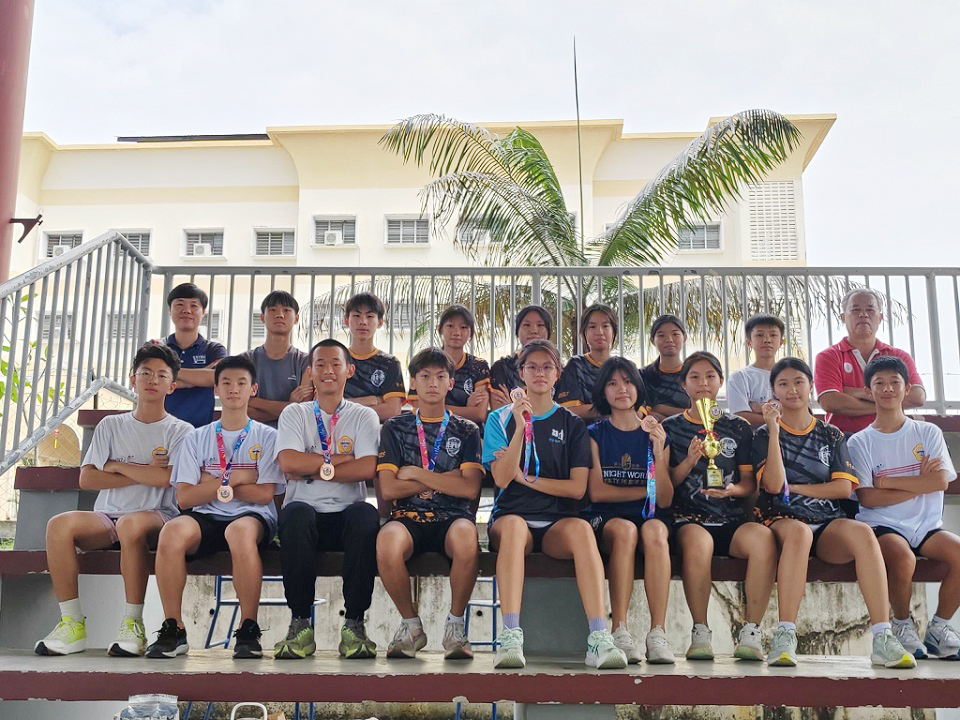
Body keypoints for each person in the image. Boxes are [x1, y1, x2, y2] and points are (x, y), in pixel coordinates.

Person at [754, 357, 915, 669]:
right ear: (774, 391)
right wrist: (773, 431)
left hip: (827, 523)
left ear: (811, 387)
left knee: (862, 533)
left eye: (798, 382)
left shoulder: (831, 434)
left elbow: (842, 489)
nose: (792, 390)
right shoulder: (763, 434)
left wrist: (794, 487)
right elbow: (773, 486)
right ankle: (785, 635)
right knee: (799, 533)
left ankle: (883, 637)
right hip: (783, 520)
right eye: (783, 384)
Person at [35, 343, 191, 657]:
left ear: (172, 386)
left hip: (157, 515)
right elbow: (88, 478)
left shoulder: (180, 431)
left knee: (131, 524)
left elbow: (166, 479)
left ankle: (133, 624)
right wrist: (146, 470)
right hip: (108, 516)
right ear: (133, 379)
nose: (152, 380)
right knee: (58, 525)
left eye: (161, 375)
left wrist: (117, 466)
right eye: (145, 373)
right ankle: (71, 623)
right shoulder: (110, 425)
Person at [483, 339, 627, 670]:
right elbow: (502, 478)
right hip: (512, 516)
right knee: (515, 528)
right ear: (521, 373)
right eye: (531, 366)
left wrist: (526, 478)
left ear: (558, 374)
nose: (539, 372)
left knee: (582, 531)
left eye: (547, 366)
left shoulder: (572, 424)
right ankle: (511, 636)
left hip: (556, 522)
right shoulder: (499, 419)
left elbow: (576, 489)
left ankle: (598, 638)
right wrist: (520, 427)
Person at [146, 355, 283, 659]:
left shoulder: (269, 437)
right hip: (205, 516)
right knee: (171, 532)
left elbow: (264, 495)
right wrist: (236, 478)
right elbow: (184, 498)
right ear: (216, 389)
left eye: (241, 383)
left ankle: (248, 629)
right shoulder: (197, 438)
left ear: (253, 389)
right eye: (226, 383)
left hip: (252, 517)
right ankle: (174, 628)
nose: (233, 389)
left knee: (238, 532)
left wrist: (209, 483)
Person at [662, 351, 776, 661]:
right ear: (684, 384)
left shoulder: (737, 427)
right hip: (689, 518)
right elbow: (667, 484)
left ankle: (751, 632)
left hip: (731, 519)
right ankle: (700, 631)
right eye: (695, 377)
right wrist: (689, 460)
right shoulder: (671, 427)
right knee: (699, 544)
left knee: (763, 539)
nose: (703, 383)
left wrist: (732, 490)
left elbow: (748, 483)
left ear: (720, 382)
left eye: (710, 376)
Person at [273, 339, 382, 660]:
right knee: (294, 514)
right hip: (305, 515)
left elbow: (367, 467)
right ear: (310, 372)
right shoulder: (294, 413)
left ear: (349, 370)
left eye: (336, 364)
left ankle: (354, 623)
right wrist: (342, 459)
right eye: (320, 364)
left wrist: (313, 467)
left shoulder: (363, 416)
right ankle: (300, 623)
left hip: (346, 516)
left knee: (365, 515)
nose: (328, 370)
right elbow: (288, 463)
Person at [849, 356, 960, 661]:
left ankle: (939, 628)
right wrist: (919, 482)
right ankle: (901, 624)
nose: (887, 389)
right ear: (869, 391)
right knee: (902, 558)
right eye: (879, 383)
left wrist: (888, 483)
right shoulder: (860, 442)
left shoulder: (928, 433)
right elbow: (868, 498)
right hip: (882, 524)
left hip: (926, 526)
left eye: (894, 382)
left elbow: (940, 482)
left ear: (907, 388)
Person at [377, 348, 484, 660]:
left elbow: (469, 488)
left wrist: (417, 474)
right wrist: (444, 478)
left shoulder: (467, 430)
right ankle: (411, 626)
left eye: (440, 376)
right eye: (425, 376)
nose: (433, 383)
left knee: (467, 537)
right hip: (407, 516)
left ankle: (455, 627)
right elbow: (389, 487)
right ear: (413, 382)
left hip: (452, 516)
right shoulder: (395, 427)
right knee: (386, 542)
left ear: (451, 383)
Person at [583, 357, 675, 664]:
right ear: (603, 391)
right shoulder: (594, 433)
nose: (621, 389)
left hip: (649, 516)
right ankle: (619, 629)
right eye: (612, 383)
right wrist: (647, 490)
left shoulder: (657, 433)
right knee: (625, 531)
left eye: (627, 381)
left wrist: (659, 453)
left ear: (638, 387)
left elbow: (664, 499)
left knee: (656, 531)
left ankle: (657, 633)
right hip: (608, 516)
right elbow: (598, 491)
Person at [815, 288, 925, 436]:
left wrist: (857, 393)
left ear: (880, 317)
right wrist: (887, 402)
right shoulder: (829, 356)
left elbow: (917, 396)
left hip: (893, 435)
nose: (863, 314)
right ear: (842, 317)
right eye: (855, 309)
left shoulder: (899, 356)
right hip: (844, 438)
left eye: (870, 310)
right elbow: (830, 402)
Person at [408, 304, 490, 426]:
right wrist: (467, 409)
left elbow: (479, 414)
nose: (456, 332)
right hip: (427, 428)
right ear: (440, 329)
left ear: (471, 333)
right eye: (450, 326)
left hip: (467, 430)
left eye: (463, 327)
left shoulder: (478, 366)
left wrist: (434, 406)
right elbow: (419, 407)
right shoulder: (424, 361)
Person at [241, 291, 312, 428]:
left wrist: (254, 401)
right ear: (262, 317)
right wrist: (290, 406)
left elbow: (303, 412)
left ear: (296, 318)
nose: (279, 315)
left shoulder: (305, 361)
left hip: (292, 434)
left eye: (286, 310)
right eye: (272, 310)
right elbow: (243, 411)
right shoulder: (245, 360)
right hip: (252, 435)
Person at [161, 283, 227, 428]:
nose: (187, 310)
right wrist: (201, 376)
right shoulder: (157, 347)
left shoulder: (214, 349)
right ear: (170, 311)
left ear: (203, 312)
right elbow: (144, 379)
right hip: (160, 429)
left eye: (194, 305)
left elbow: (217, 377)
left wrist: (166, 374)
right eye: (180, 304)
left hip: (200, 431)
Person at [342, 292, 406, 422]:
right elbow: (328, 406)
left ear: (380, 322)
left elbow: (392, 411)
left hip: (377, 431)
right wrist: (373, 400)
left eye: (370, 316)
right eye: (356, 315)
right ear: (346, 320)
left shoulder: (389, 363)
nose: (363, 322)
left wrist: (345, 406)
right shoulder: (337, 361)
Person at [557, 303, 618, 421]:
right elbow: (570, 409)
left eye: (605, 326)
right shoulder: (576, 365)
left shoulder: (624, 367)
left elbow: (638, 412)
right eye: (592, 327)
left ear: (613, 331)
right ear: (584, 333)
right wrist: (616, 409)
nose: (599, 332)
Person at [489, 305, 553, 410]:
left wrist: (513, 406)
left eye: (540, 325)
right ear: (517, 331)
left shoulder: (557, 368)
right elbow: (499, 412)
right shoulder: (502, 368)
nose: (533, 330)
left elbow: (561, 410)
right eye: (526, 325)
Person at [726, 314, 784, 429]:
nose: (767, 340)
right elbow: (740, 417)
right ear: (749, 342)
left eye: (773, 335)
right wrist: (782, 416)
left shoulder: (791, 374)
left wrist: (758, 409)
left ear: (781, 342)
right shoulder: (739, 377)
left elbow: (802, 411)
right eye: (760, 335)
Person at [641, 314, 690, 421]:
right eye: (661, 335)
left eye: (675, 334)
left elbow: (701, 413)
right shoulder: (642, 375)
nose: (669, 339)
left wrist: (661, 409)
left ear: (684, 337)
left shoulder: (692, 375)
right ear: (653, 340)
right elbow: (641, 414)